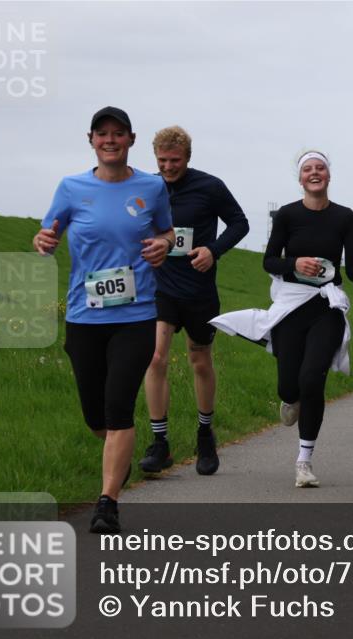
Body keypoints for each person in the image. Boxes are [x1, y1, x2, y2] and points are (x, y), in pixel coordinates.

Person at [34, 106, 173, 533]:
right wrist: (43, 241)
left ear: (131, 139)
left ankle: (107, 501)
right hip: (83, 316)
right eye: (102, 134)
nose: (110, 140)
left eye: (118, 134)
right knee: (97, 417)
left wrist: (164, 244)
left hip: (136, 315)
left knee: (118, 408)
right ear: (91, 140)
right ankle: (119, 457)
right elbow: (48, 234)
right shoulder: (72, 188)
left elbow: (168, 231)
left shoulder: (150, 188)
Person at [211, 151, 353, 488]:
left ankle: (304, 462)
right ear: (300, 178)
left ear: (328, 175)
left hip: (326, 307)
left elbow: (350, 269)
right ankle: (289, 398)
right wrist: (294, 263)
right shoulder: (288, 216)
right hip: (292, 308)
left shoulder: (345, 217)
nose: (314, 173)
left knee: (312, 379)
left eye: (319, 168)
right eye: (307, 169)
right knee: (290, 386)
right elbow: (268, 262)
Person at [139, 126, 249, 477]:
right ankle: (160, 443)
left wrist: (213, 251)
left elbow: (239, 223)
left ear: (187, 157)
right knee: (155, 356)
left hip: (199, 290)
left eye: (175, 160)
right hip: (161, 287)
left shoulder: (209, 186)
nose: (168, 167)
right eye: (162, 161)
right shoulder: (147, 187)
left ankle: (205, 434)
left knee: (199, 360)